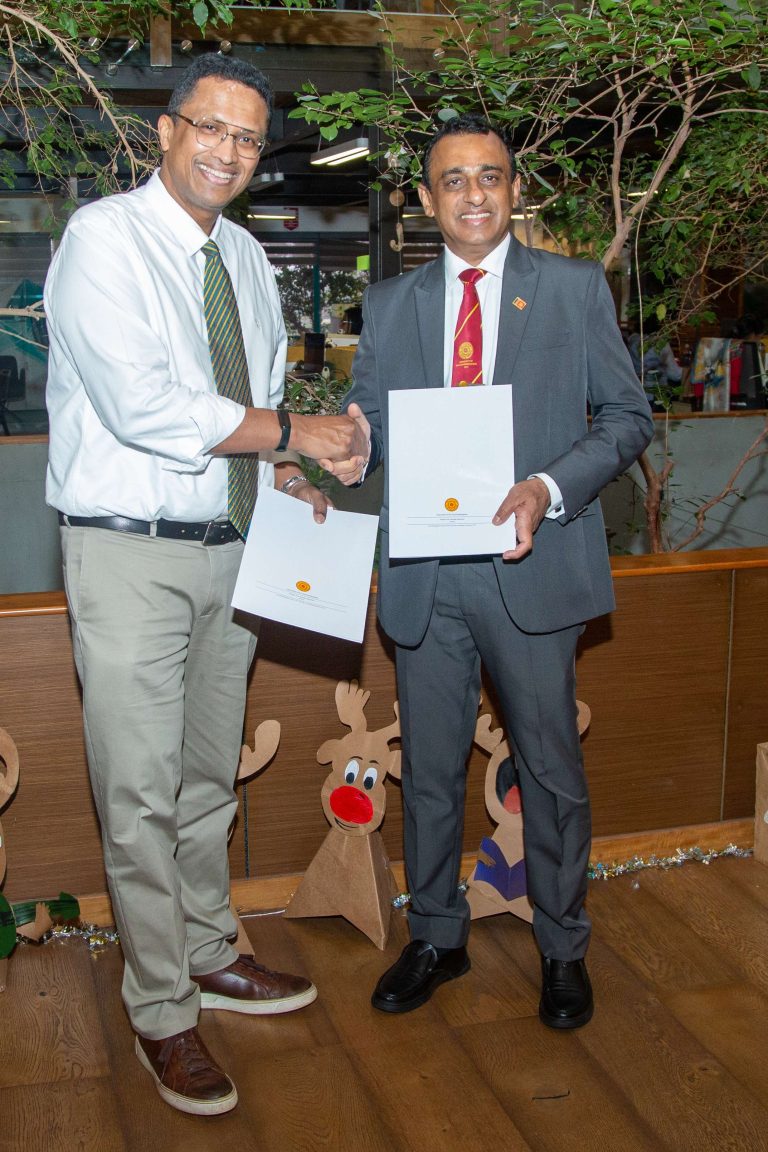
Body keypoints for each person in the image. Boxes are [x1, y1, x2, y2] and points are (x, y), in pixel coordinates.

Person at [44, 54, 367, 1117]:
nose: (228, 151)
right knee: (139, 791)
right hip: (128, 552)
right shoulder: (103, 240)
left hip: (235, 545)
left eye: (247, 137)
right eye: (211, 127)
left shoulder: (247, 258)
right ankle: (160, 1008)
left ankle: (206, 947)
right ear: (168, 131)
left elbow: (251, 407)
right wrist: (295, 430)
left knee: (204, 777)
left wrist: (292, 473)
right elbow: (146, 406)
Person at [331, 114, 653, 1028]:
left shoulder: (572, 288)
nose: (473, 194)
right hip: (428, 572)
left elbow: (627, 417)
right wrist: (335, 453)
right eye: (453, 180)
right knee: (430, 769)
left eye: (490, 177)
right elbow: (368, 424)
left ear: (514, 190)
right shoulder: (391, 305)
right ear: (425, 200)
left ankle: (563, 947)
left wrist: (548, 488)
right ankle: (437, 935)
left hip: (531, 565)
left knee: (549, 770)